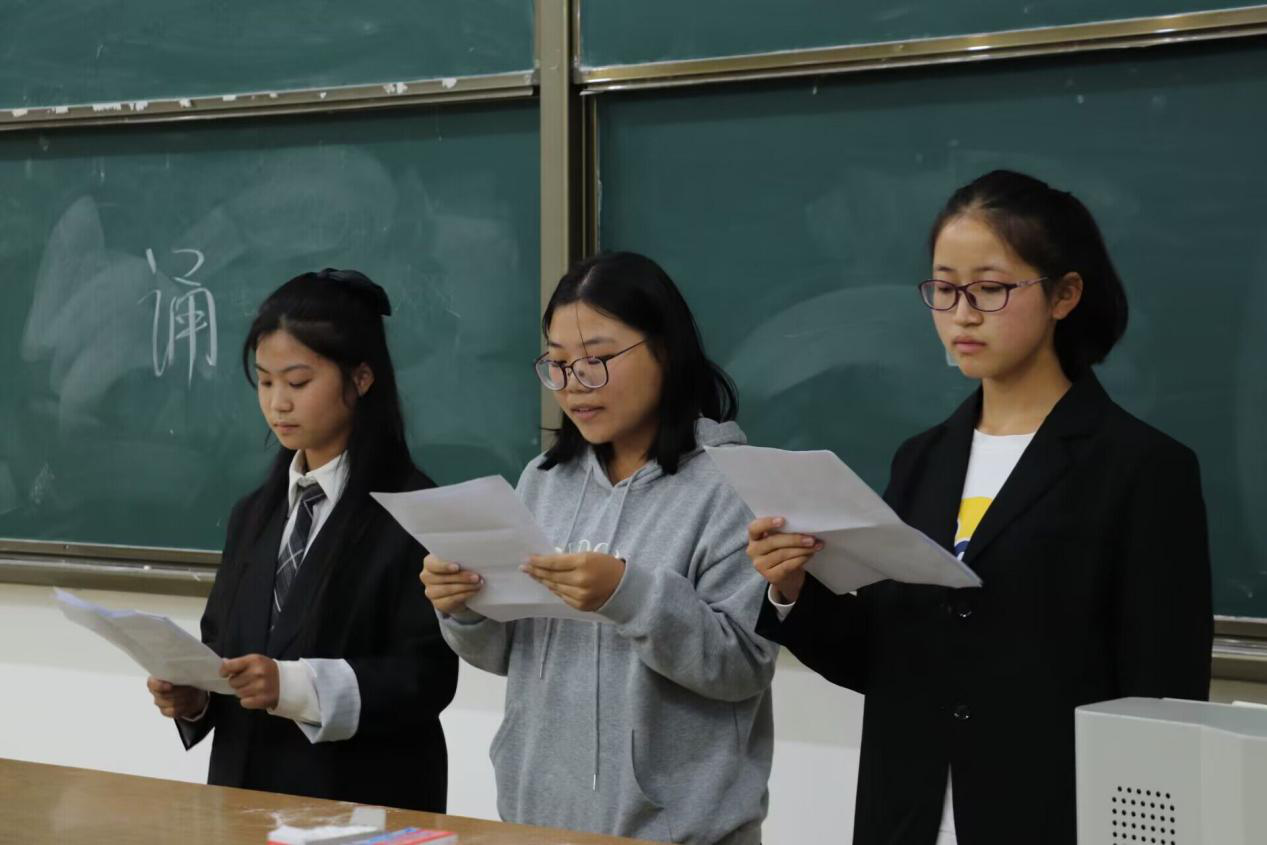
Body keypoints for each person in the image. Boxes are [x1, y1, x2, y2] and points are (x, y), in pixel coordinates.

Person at [749, 171, 1213, 844]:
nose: (961, 313)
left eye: (990, 288)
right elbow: (883, 661)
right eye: (943, 288)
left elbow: (1162, 699)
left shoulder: (1141, 467)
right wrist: (792, 588)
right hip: (906, 817)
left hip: (1053, 819)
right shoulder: (921, 458)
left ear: (1064, 295)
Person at [421, 252, 776, 844]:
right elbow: (507, 655)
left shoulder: (732, 485)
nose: (573, 385)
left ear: (665, 350)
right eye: (558, 364)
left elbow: (742, 667)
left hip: (681, 834)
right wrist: (464, 608)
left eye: (597, 360)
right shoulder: (543, 479)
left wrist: (627, 594)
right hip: (536, 824)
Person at [147, 268, 457, 811]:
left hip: (360, 804)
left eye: (297, 383)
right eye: (266, 382)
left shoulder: (415, 510)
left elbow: (426, 676)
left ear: (361, 378)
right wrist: (197, 696)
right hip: (245, 802)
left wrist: (292, 686)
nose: (278, 404)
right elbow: (221, 647)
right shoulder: (253, 514)